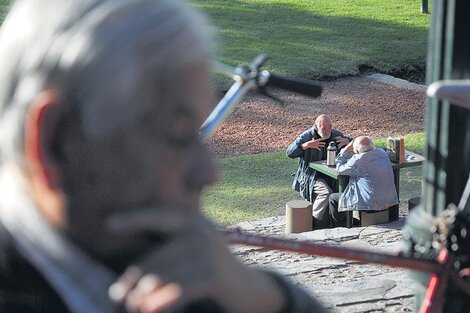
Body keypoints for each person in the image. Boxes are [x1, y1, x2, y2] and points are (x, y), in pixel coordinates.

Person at [0, 0, 328, 312]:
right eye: (178, 136)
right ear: (57, 144)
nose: (209, 174)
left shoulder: (176, 273)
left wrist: (264, 298)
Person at [286, 114, 351, 228]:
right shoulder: (307, 136)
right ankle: (314, 222)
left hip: (331, 175)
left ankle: (340, 221)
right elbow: (289, 152)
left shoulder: (336, 135)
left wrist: (348, 142)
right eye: (323, 128)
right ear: (316, 127)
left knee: (348, 186)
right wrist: (306, 146)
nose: (327, 131)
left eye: (329, 127)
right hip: (311, 175)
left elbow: (361, 144)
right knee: (326, 192)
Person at [328, 136, 399, 227]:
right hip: (389, 201)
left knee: (333, 198)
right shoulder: (383, 153)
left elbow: (340, 169)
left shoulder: (358, 160)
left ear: (357, 150)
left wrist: (344, 151)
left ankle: (342, 226)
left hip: (370, 204)